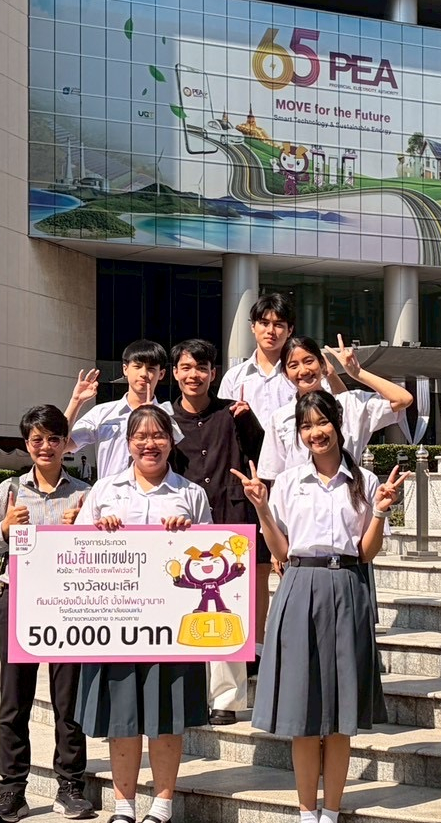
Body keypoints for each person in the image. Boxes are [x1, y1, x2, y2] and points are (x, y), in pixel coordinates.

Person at [233, 391, 408, 823]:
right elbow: (281, 550)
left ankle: (331, 820)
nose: (316, 433)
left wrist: (381, 510)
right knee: (304, 714)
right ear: (299, 433)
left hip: (348, 586)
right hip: (300, 586)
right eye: (306, 426)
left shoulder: (365, 481)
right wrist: (262, 508)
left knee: (340, 718)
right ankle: (306, 819)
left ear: (337, 424)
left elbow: (366, 552)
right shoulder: (289, 482)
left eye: (322, 422)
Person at [75, 405, 211, 823]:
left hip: (172, 628)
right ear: (128, 443)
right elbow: (74, 552)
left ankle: (162, 810)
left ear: (171, 441)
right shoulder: (104, 490)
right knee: (123, 719)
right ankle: (123, 808)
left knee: (167, 718)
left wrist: (189, 534)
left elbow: (214, 553)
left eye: (158, 436)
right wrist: (99, 531)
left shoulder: (191, 494)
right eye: (140, 436)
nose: (149, 444)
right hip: (117, 624)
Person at [0, 405, 94, 823]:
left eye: (54, 439)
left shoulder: (84, 494)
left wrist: (84, 529)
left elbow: (100, 550)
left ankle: (70, 785)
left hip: (69, 602)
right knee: (14, 699)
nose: (46, 447)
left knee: (69, 700)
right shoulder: (9, 490)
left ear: (65, 444)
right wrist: (6, 528)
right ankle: (12, 790)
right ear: (27, 444)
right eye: (37, 440)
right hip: (19, 598)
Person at [168, 338, 266, 727]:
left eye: (201, 367)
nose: (193, 375)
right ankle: (190, 693)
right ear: (175, 373)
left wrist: (249, 421)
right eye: (186, 368)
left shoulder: (233, 413)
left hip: (231, 519)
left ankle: (227, 698)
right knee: (185, 609)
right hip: (184, 524)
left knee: (229, 609)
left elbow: (262, 454)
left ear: (213, 373)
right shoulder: (166, 418)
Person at [256, 335, 413, 481]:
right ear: (285, 373)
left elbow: (403, 399)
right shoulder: (280, 418)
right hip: (298, 499)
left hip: (348, 494)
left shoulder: (350, 404)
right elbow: (274, 476)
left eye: (309, 361)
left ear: (322, 363)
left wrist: (358, 373)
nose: (303, 371)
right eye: (293, 365)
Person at [67, 340, 182, 480]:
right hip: (109, 492)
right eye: (137, 366)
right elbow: (62, 445)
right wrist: (76, 401)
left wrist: (151, 419)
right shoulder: (102, 413)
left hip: (154, 491)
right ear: (125, 369)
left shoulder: (168, 415)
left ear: (162, 373)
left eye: (151, 368)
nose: (143, 373)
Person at [218, 292, 300, 431]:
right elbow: (222, 423)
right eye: (264, 323)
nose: (270, 331)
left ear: (290, 330)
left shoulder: (299, 374)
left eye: (278, 324)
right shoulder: (234, 377)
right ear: (253, 326)